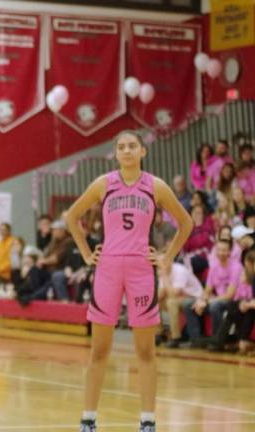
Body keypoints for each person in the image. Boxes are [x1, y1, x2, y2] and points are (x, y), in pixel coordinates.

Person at [65, 131, 193, 432]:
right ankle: (88, 419)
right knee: (99, 350)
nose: (126, 150)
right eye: (121, 146)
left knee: (146, 351)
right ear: (116, 153)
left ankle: (147, 421)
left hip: (141, 271)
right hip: (108, 268)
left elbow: (186, 222)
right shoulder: (103, 184)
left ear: (142, 151)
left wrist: (166, 256)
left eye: (132, 146)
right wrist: (86, 253)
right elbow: (72, 217)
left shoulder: (155, 186)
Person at [157, 253, 203, 348]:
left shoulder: (179, 270)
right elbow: (161, 295)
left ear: (170, 261)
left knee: (171, 302)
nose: (161, 265)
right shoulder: (163, 272)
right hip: (180, 298)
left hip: (195, 298)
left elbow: (174, 294)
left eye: (163, 262)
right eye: (160, 263)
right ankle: (160, 333)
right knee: (154, 305)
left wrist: (164, 275)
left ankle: (175, 337)